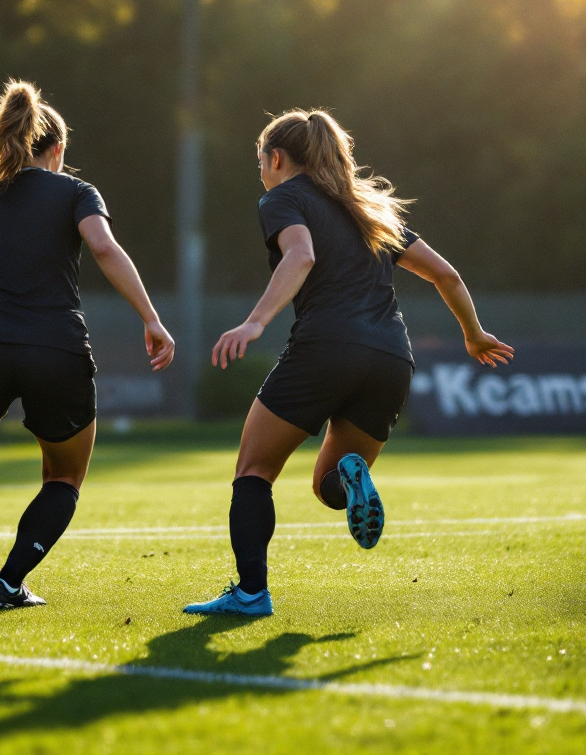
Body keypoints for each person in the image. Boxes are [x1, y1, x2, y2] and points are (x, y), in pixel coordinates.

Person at [184, 109, 513, 616]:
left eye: (261, 163)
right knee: (327, 486)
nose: (262, 173)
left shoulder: (282, 198)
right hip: (390, 359)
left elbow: (301, 256)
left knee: (253, 470)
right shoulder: (371, 208)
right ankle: (352, 474)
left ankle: (250, 594)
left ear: (277, 158)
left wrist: (254, 323)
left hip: (326, 348)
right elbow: (446, 275)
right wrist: (474, 334)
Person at [0, 80, 174, 609]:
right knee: (64, 476)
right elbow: (103, 246)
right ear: (56, 151)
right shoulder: (76, 193)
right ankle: (8, 583)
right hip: (57, 348)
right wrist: (151, 318)